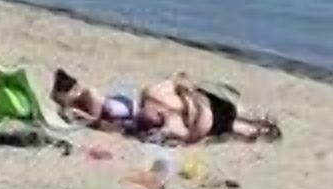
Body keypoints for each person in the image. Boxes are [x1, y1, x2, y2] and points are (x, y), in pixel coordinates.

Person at [137, 75, 281, 144]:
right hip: (211, 121)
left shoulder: (153, 92)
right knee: (235, 125)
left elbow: (180, 79)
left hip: (209, 105)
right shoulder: (169, 121)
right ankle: (259, 129)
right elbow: (185, 135)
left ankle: (261, 123)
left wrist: (185, 91)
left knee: (238, 114)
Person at [51, 70, 136, 131]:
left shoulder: (90, 94)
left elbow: (95, 120)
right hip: (114, 104)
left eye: (61, 101)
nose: (60, 103)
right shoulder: (74, 100)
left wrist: (78, 113)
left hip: (124, 107)